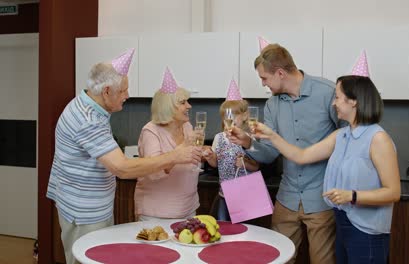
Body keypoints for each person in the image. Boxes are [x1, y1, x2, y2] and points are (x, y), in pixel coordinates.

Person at [46, 50, 202, 264]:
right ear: (107, 91)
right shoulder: (88, 119)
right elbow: (122, 168)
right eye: (124, 91)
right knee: (86, 260)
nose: (127, 95)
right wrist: (175, 155)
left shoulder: (87, 106)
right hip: (84, 211)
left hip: (84, 204)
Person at [252, 52, 401, 263]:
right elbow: (301, 156)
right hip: (342, 219)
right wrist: (266, 136)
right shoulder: (342, 135)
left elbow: (394, 191)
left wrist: (352, 196)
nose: (334, 102)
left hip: (366, 228)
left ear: (354, 102)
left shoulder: (377, 139)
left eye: (338, 98)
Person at [229, 43, 338, 263]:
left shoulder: (328, 92)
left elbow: (346, 139)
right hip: (286, 198)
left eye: (264, 78)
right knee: (277, 259)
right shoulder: (272, 105)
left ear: (280, 73)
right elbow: (269, 152)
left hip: (322, 198)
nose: (263, 84)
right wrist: (248, 142)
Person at [135, 68, 203, 221]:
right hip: (157, 214)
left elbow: (190, 159)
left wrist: (204, 154)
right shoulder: (151, 131)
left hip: (188, 210)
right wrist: (183, 147)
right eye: (183, 102)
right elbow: (154, 172)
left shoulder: (187, 126)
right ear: (168, 107)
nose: (189, 106)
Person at [203, 79, 260, 221]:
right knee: (225, 232)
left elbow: (257, 166)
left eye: (234, 115)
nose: (230, 119)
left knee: (248, 234)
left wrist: (245, 163)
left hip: (246, 196)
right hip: (224, 194)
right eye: (226, 116)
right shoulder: (219, 137)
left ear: (245, 115)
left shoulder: (249, 138)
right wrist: (210, 157)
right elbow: (216, 164)